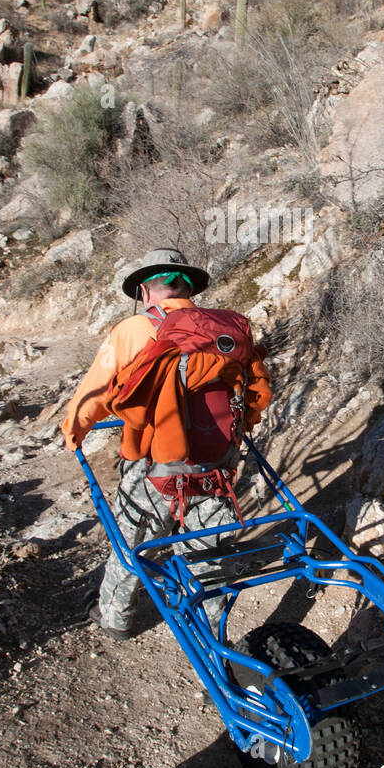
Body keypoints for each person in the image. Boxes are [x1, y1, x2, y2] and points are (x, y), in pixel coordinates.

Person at [62, 247, 272, 639]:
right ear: (188, 288)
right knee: (208, 555)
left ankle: (114, 617)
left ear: (144, 291)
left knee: (132, 545)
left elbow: (95, 394)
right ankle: (210, 635)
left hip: (154, 466)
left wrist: (73, 431)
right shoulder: (227, 331)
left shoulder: (134, 330)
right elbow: (253, 394)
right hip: (218, 465)